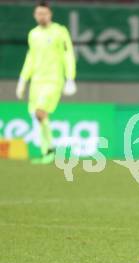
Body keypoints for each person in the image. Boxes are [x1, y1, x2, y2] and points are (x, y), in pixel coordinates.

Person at [16, 1, 77, 164]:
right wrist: (23, 79)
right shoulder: (33, 34)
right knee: (38, 116)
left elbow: (68, 54)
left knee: (40, 112)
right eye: (38, 13)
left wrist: (70, 78)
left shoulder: (59, 31)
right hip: (36, 82)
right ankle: (46, 151)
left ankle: (49, 150)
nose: (41, 16)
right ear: (34, 15)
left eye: (44, 13)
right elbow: (30, 58)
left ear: (50, 14)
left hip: (53, 80)